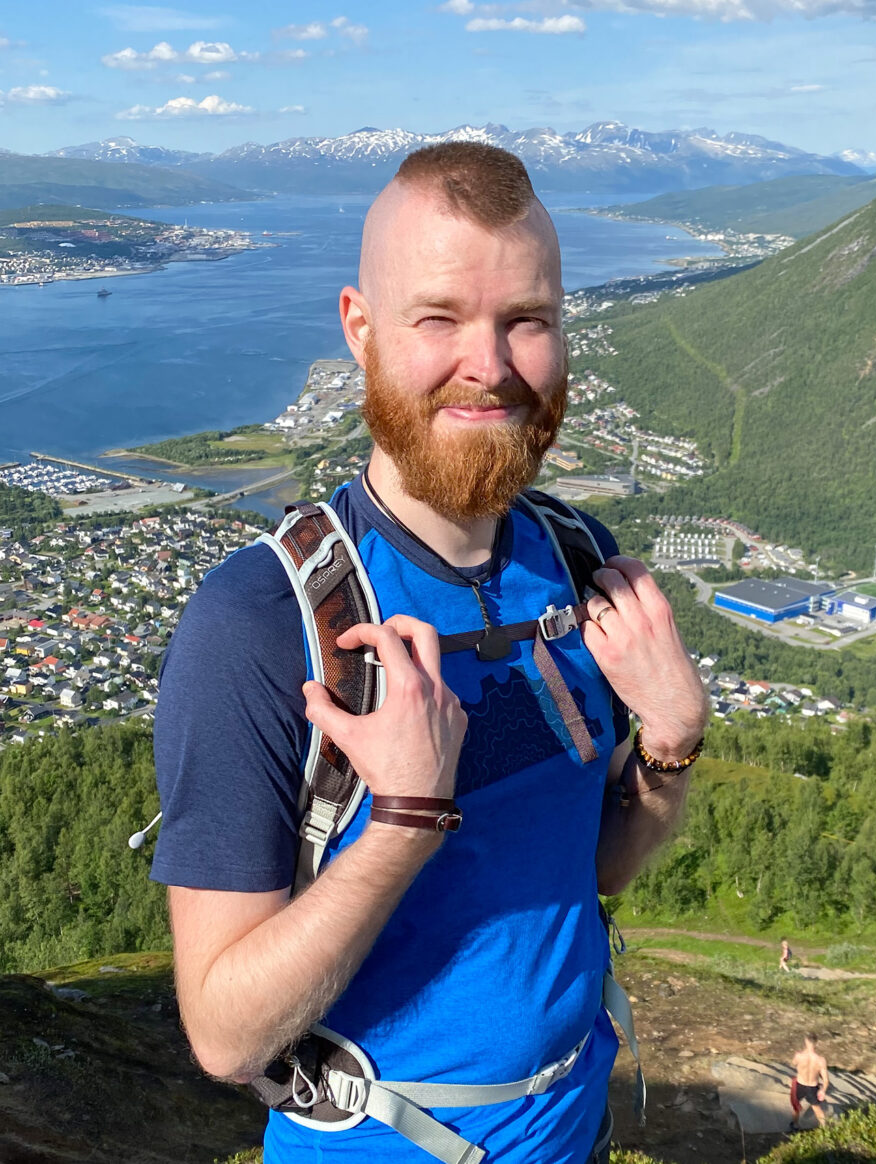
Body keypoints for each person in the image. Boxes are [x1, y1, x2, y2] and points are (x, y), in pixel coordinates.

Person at [152, 143, 709, 1164]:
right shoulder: (262, 623)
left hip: (569, 1118)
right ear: (360, 330)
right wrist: (404, 820)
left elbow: (592, 872)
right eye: (438, 318)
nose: (489, 365)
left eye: (525, 321)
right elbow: (225, 1034)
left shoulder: (576, 564)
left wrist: (671, 743)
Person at [789, 1033, 829, 1131]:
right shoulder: (821, 1060)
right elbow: (826, 1080)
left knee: (796, 1106)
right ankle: (824, 1128)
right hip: (812, 1086)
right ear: (816, 1043)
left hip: (800, 1084)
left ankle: (795, 1125)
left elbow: (793, 1063)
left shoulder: (799, 1056)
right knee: (816, 1108)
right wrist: (823, 1090)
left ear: (806, 1041)